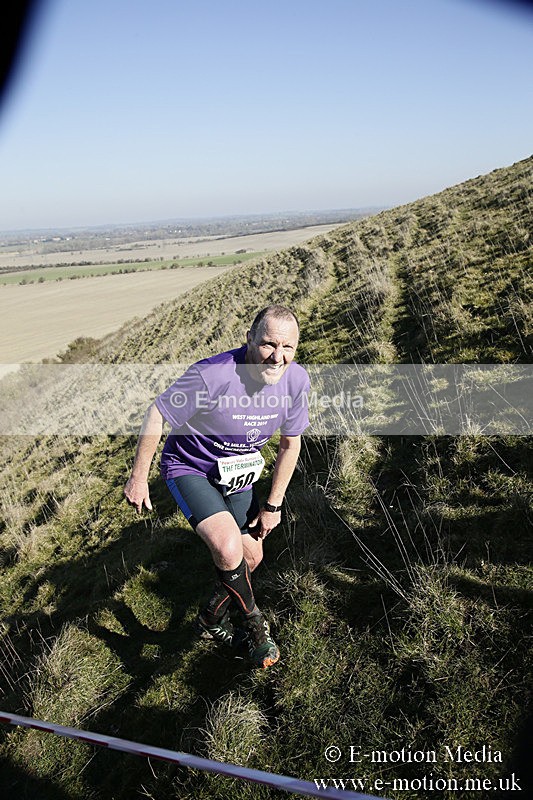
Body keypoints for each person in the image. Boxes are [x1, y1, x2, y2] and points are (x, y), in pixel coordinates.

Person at [124, 305, 310, 669]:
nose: (277, 357)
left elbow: (291, 443)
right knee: (227, 547)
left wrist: (273, 504)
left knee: (251, 557)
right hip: (190, 468)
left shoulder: (296, 380)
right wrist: (138, 475)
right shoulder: (213, 374)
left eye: (288, 347)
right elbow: (158, 412)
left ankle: (210, 616)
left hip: (237, 472)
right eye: (268, 344)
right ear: (249, 340)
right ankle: (255, 626)